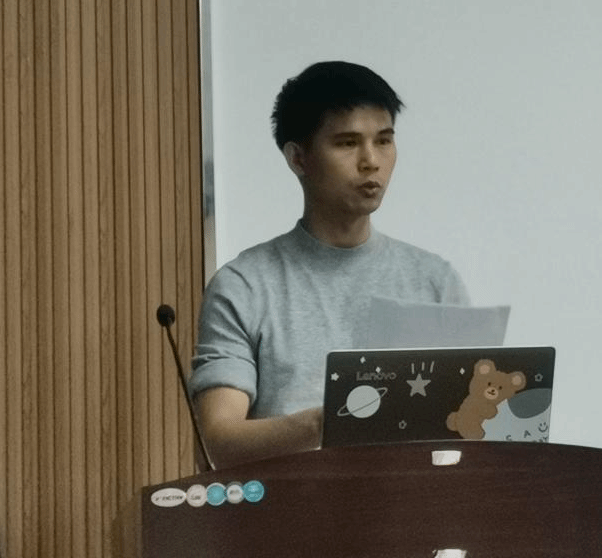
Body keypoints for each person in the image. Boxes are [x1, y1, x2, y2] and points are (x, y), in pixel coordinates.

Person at [189, 61, 470, 468]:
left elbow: (469, 429)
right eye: (347, 143)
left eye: (384, 140)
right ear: (298, 158)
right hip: (290, 502)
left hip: (417, 500)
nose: (371, 161)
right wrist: (336, 420)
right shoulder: (244, 286)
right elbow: (218, 441)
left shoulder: (435, 281)